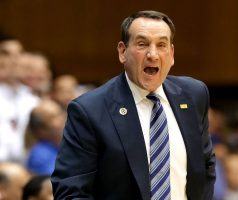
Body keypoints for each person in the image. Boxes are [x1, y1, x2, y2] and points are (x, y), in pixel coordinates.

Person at [51, 10, 216, 200]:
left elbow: (205, 166)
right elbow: (70, 192)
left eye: (161, 45)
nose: (153, 54)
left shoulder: (194, 94)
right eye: (142, 44)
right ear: (122, 51)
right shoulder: (89, 110)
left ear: (171, 54)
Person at [26, 99, 65, 175]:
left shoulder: (68, 144)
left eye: (61, 113)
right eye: (54, 117)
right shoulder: (40, 156)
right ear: (41, 130)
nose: (63, 119)